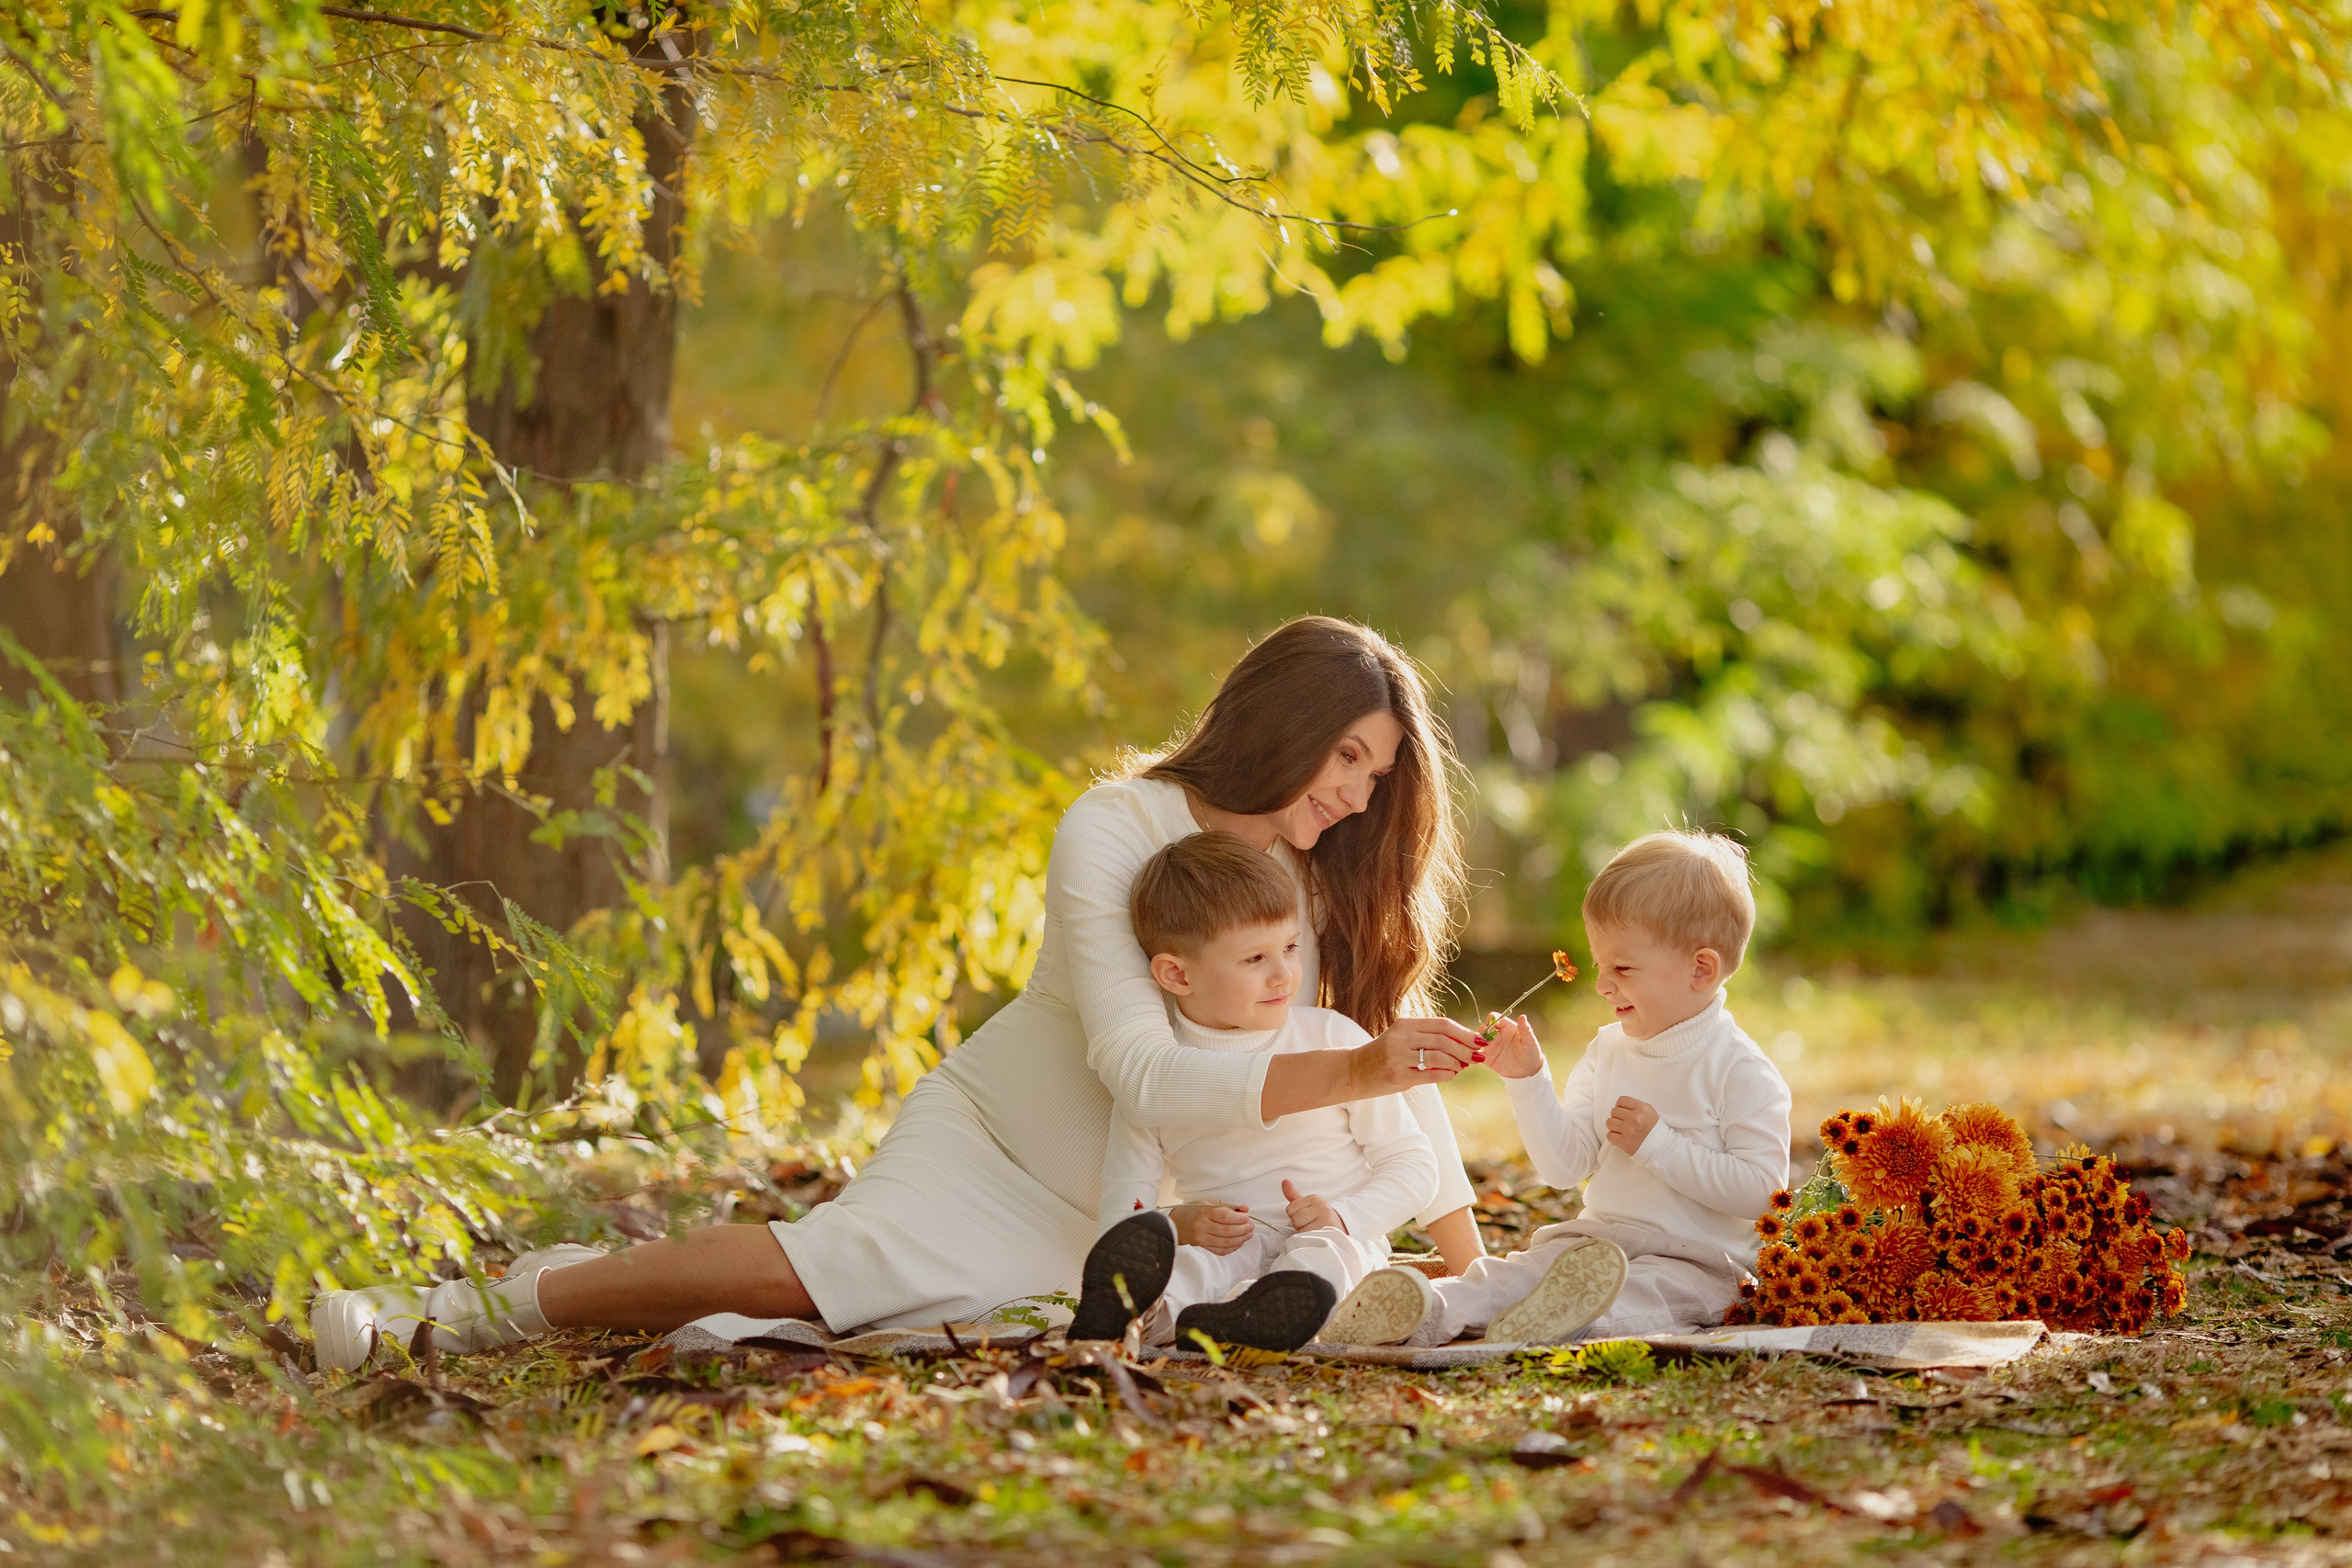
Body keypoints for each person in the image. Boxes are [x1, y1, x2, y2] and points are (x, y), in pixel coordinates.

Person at [312, 617, 1488, 1371]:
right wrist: (1365, 1067)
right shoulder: (1117, 825)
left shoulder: (1315, 879)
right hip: (1001, 1141)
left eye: (1378, 776)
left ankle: (571, 1297)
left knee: (894, 1327)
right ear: (1281, 726)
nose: (1359, 795)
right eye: (1347, 758)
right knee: (831, 1271)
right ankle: (475, 1306)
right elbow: (1142, 1067)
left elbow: (1388, 1084)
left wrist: (1464, 1262)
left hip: (1151, 1219)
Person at [1323, 829, 1792, 1348]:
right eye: (1599, 965)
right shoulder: (1608, 1050)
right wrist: (1529, 1083)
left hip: (1697, 1261)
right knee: (1514, 1275)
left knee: (1645, 1297)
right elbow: (1565, 1168)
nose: (1602, 985)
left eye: (1622, 968)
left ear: (1700, 969)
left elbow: (1762, 1194)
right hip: (1596, 1244)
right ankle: (1427, 1310)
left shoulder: (1741, 1070)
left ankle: (1566, 1320)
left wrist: (1661, 1146)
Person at [1065, 832, 1439, 1353]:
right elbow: (1125, 1208)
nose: (1284, 973)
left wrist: (1345, 1216)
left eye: (1289, 947)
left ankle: (1262, 1312)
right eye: (1254, 959)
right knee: (1192, 1266)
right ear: (1177, 974)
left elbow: (1415, 1166)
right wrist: (1180, 1222)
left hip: (1334, 1238)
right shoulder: (1161, 1076)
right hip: (1232, 1245)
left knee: (1326, 1256)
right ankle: (1139, 1313)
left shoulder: (1332, 1038)